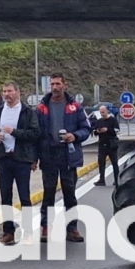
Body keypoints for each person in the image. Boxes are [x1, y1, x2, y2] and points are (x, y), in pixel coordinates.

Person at [0, 81, 41, 244]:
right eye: (4, 91)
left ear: (18, 92)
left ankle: (28, 233)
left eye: (10, 91)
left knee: (24, 197)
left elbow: (35, 134)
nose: (7, 94)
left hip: (21, 159)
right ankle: (8, 231)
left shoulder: (27, 111)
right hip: (3, 158)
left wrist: (15, 132)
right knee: (5, 197)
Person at [36, 74, 92, 243]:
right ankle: (46, 227)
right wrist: (34, 158)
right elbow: (35, 133)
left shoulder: (75, 107)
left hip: (68, 155)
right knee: (48, 193)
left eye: (58, 84)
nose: (55, 87)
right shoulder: (41, 107)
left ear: (65, 85)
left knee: (70, 193)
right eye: (52, 84)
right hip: (48, 155)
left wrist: (75, 136)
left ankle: (72, 228)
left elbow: (86, 128)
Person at [90, 103, 121, 185]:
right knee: (101, 162)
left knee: (114, 162)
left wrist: (108, 130)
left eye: (103, 112)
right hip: (102, 144)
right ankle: (101, 179)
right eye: (101, 112)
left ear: (107, 111)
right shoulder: (99, 121)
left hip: (112, 144)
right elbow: (94, 131)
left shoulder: (113, 120)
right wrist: (98, 131)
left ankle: (117, 179)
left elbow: (117, 130)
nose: (102, 114)